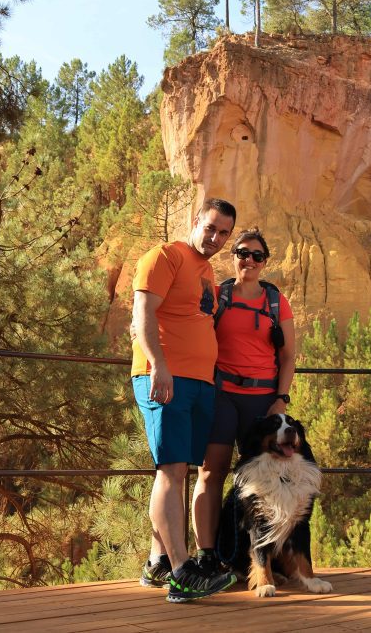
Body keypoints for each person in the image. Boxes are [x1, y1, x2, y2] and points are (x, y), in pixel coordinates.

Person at [131, 197, 238, 603]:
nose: (216, 237)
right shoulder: (165, 255)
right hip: (167, 378)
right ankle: (181, 574)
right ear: (196, 221)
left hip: (199, 383)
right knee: (171, 470)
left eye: (224, 232)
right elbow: (143, 310)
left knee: (179, 471)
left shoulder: (207, 271)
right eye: (210, 227)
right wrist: (158, 364)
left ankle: (159, 560)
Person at [190, 227, 296, 573]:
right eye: (242, 253)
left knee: (266, 479)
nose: (249, 260)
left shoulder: (277, 301)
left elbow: (289, 356)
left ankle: (266, 560)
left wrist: (280, 399)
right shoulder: (218, 295)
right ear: (233, 256)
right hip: (222, 396)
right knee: (212, 472)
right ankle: (208, 556)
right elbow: (186, 323)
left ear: (265, 262)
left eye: (257, 255)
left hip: (262, 401)